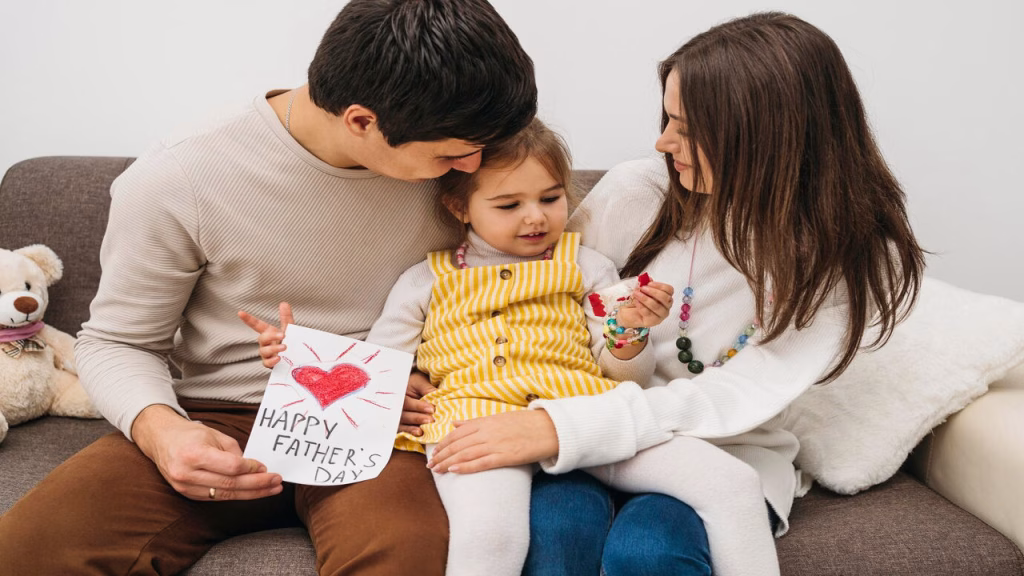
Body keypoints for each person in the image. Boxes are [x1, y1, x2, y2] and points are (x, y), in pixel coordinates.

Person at [0, 1, 537, 574]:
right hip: (216, 412)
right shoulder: (181, 176)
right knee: (29, 550)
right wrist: (163, 432)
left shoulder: (478, 164)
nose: (475, 165)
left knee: (403, 554)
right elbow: (116, 342)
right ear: (361, 121)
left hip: (387, 419)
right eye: (454, 152)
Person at [424, 12, 926, 576]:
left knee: (649, 552)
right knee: (558, 534)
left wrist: (559, 426)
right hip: (582, 431)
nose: (663, 141)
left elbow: (735, 398)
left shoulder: (851, 256)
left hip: (714, 447)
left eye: (686, 126)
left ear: (762, 132)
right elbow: (540, 297)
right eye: (668, 117)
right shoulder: (640, 190)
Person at [242, 118, 677, 576]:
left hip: (576, 419)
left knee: (694, 484)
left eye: (551, 198)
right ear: (459, 207)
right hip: (468, 425)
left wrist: (629, 333)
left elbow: (623, 379)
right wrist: (295, 353)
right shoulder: (426, 279)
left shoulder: (589, 267)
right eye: (509, 205)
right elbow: (377, 363)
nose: (535, 216)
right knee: (490, 536)